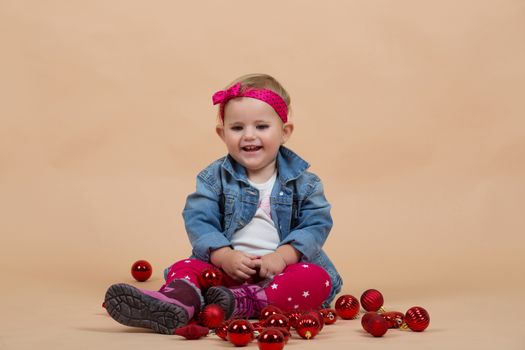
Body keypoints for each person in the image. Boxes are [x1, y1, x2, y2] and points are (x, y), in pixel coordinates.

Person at [104, 73, 343, 334]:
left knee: (318, 279)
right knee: (186, 268)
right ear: (222, 133)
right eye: (237, 128)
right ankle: (178, 302)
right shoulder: (213, 178)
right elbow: (198, 219)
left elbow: (316, 224)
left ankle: (246, 302)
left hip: (279, 274)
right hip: (224, 272)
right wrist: (224, 255)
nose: (249, 136)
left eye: (261, 127)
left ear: (285, 132)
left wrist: (283, 257)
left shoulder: (305, 183)